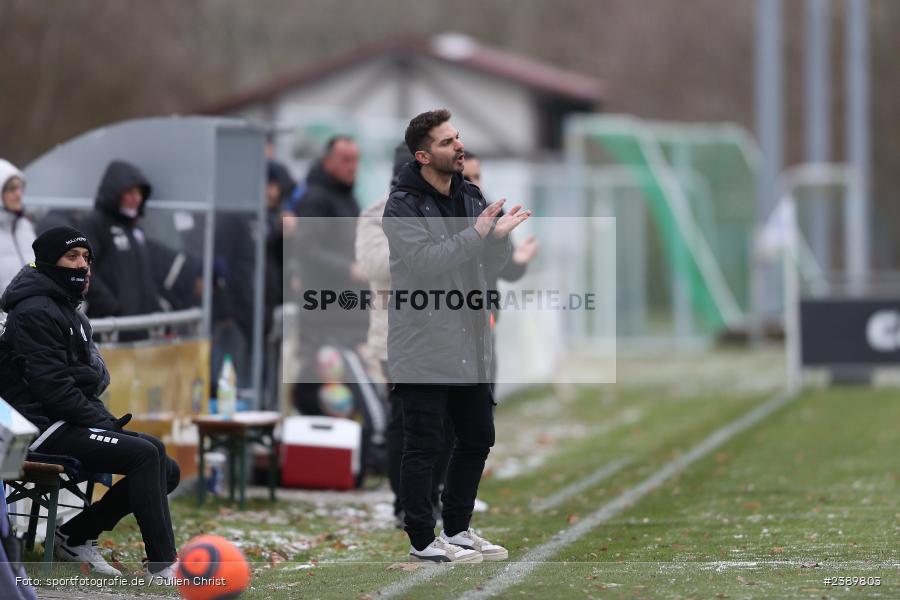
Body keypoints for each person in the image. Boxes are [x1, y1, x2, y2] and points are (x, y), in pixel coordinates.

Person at [382, 109, 531, 562]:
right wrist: (477, 233)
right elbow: (427, 262)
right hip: (423, 340)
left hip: (470, 338)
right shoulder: (401, 205)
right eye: (447, 142)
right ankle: (423, 540)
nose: (458, 146)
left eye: (457, 137)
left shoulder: (470, 194)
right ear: (424, 155)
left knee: (476, 435)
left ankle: (460, 529)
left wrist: (499, 240)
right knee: (424, 443)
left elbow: (492, 264)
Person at [0, 226, 180, 581]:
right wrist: (99, 412)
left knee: (164, 463)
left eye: (86, 258)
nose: (82, 265)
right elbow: (54, 390)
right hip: (36, 429)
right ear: (50, 262)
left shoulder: (71, 313)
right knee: (144, 455)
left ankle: (75, 535)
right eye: (72, 257)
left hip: (63, 419)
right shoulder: (34, 311)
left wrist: (85, 386)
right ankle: (163, 565)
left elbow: (95, 377)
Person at [292, 136, 369, 413]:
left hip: (347, 313)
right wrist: (348, 268)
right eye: (345, 160)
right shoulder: (316, 199)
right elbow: (307, 250)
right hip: (322, 313)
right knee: (320, 382)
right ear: (328, 162)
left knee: (345, 387)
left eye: (356, 160)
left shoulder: (348, 198)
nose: (353, 167)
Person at [79, 160, 164, 321]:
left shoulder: (136, 230)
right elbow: (82, 270)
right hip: (111, 327)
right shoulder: (95, 224)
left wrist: (156, 310)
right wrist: (112, 307)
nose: (136, 199)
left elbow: (146, 278)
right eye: (130, 192)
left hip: (139, 326)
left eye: (139, 193)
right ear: (115, 192)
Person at [0, 160, 36, 295]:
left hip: (32, 311)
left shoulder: (25, 226)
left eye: (20, 188)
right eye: (11, 188)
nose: (18, 194)